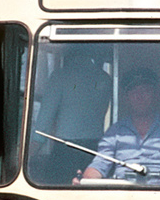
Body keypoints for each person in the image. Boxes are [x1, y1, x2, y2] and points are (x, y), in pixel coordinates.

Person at [80, 67, 160, 185]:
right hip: (124, 196)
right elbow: (100, 163)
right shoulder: (115, 131)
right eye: (134, 92)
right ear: (126, 98)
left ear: (156, 95)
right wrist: (85, 180)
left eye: (146, 91)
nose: (140, 96)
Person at [29, 48, 111, 182]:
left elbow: (43, 125)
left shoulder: (59, 76)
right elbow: (102, 112)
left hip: (65, 152)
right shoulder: (105, 78)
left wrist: (28, 156)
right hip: (95, 151)